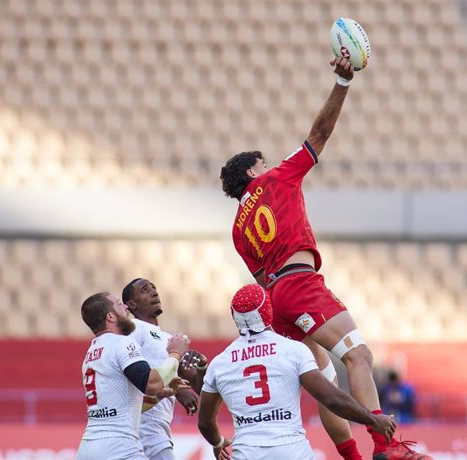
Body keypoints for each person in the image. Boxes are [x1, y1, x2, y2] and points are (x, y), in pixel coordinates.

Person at [220, 57, 431, 460]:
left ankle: (351, 456)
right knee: (359, 355)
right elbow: (319, 134)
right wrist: (342, 81)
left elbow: (262, 280)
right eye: (261, 162)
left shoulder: (237, 230)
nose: (267, 165)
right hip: (301, 284)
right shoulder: (276, 178)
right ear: (252, 171)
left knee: (321, 375)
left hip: (277, 298)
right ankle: (386, 447)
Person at [197, 284, 396, 460]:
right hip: (291, 450)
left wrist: (218, 442)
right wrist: (373, 419)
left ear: (234, 317)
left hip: (248, 452)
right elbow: (331, 399)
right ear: (269, 311)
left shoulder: (220, 363)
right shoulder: (293, 350)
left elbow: (205, 423)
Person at [76, 292, 190, 460]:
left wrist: (159, 396)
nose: (126, 307)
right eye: (119, 304)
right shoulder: (122, 343)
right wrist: (175, 353)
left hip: (88, 447)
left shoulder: (91, 353)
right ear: (110, 317)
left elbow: (124, 404)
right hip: (119, 448)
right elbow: (152, 383)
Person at [122, 278, 209, 460]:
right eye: (145, 290)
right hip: (143, 424)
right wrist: (174, 390)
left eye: (154, 288)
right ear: (131, 304)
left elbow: (200, 388)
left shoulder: (168, 339)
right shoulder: (134, 329)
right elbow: (130, 371)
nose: (154, 292)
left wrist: (201, 365)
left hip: (159, 425)